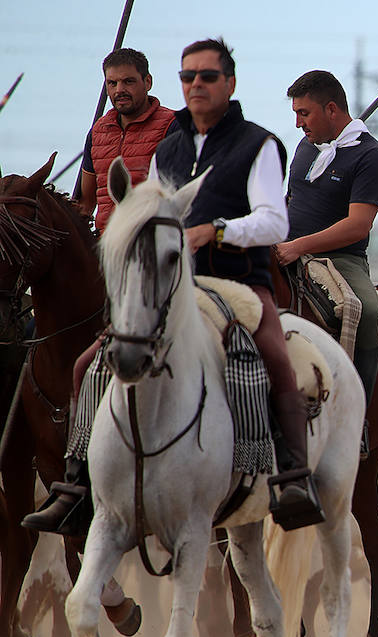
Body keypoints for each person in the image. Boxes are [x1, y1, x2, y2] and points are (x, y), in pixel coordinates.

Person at [25, 37, 321, 534]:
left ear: (229, 83)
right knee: (87, 364)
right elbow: (151, 210)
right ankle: (76, 483)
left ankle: (291, 475)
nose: (197, 85)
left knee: (270, 351)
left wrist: (219, 230)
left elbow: (274, 223)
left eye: (207, 76)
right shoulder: (172, 145)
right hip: (172, 283)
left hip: (238, 281)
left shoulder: (260, 144)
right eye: (189, 77)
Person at [274, 69, 378, 412]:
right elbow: (290, 200)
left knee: (368, 313)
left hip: (340, 259)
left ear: (332, 110)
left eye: (304, 114)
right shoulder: (305, 147)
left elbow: (358, 225)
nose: (298, 124)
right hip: (284, 248)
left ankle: (359, 415)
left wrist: (299, 246)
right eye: (296, 114)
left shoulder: (371, 156)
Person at [77, 48, 176, 233]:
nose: (119, 90)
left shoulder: (173, 126)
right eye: (112, 83)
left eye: (128, 81)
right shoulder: (97, 132)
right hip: (106, 242)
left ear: (147, 82)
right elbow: (86, 202)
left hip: (151, 241)